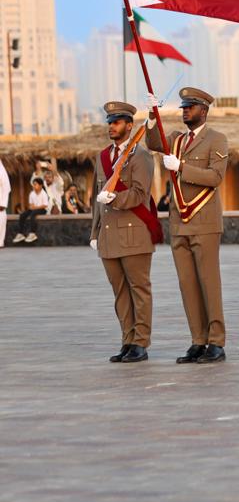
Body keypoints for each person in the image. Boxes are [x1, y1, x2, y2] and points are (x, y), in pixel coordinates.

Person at [145, 87, 230, 364]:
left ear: (203, 110)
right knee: (188, 285)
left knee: (209, 283)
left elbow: (214, 178)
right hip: (180, 222)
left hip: (204, 221)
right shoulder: (176, 140)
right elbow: (154, 141)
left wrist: (181, 167)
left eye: (190, 107)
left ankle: (216, 341)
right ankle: (198, 339)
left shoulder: (216, 139)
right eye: (183, 107)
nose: (185, 111)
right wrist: (151, 114)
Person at [90, 101, 162, 363]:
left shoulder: (140, 156)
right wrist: (95, 232)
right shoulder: (102, 157)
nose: (111, 126)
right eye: (109, 122)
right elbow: (95, 198)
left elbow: (140, 194)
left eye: (116, 122)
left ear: (129, 125)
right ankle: (127, 340)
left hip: (134, 233)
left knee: (139, 290)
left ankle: (141, 343)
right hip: (109, 235)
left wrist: (114, 198)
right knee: (120, 293)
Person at [13, 178, 48, 243]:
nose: (34, 186)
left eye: (35, 184)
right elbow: (30, 205)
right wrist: (33, 207)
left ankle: (32, 233)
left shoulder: (44, 193)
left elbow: (45, 205)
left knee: (33, 215)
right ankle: (20, 233)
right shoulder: (32, 193)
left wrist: (35, 207)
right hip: (33, 209)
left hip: (42, 209)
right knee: (22, 215)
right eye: (33, 184)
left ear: (40, 186)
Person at [0, 157, 9, 247]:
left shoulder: (2, 172)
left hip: (1, 204)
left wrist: (3, 203)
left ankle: (0, 242)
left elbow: (6, 188)